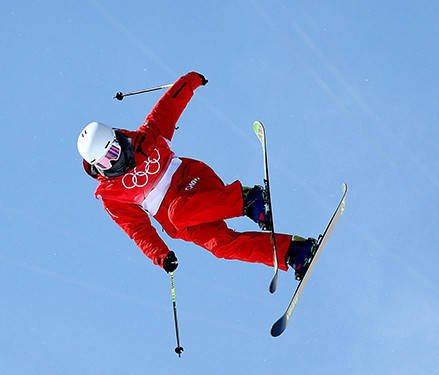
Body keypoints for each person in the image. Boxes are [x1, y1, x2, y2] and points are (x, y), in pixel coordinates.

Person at [78, 71, 317, 278]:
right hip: (180, 222)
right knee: (220, 246)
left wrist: (190, 81)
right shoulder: (112, 196)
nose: (115, 160)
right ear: (96, 167)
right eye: (106, 161)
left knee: (178, 212)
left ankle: (248, 199)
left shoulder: (146, 138)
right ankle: (294, 252)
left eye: (114, 150)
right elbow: (138, 230)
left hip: (193, 181)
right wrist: (161, 256)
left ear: (118, 138)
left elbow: (168, 106)